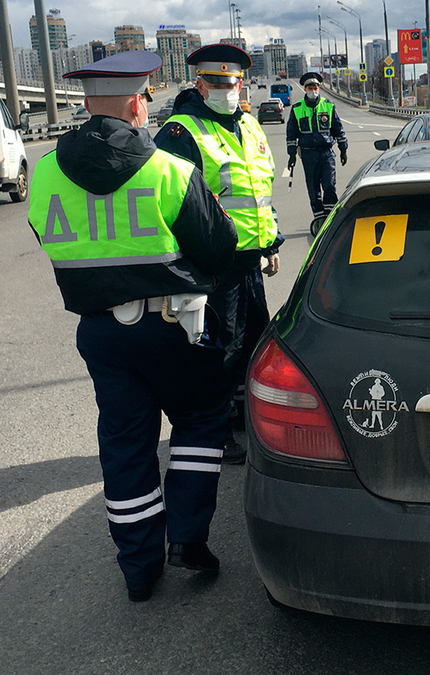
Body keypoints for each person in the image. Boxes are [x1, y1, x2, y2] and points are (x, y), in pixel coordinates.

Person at [27, 52, 240, 602]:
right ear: (134, 103)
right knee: (201, 418)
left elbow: (47, 240)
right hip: (173, 328)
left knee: (125, 445)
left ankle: (139, 568)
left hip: (102, 336)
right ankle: (189, 538)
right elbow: (218, 247)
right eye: (145, 98)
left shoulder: (45, 170)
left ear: (86, 104)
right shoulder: (168, 169)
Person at [154, 44, 281, 462]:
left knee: (254, 344)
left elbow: (259, 189)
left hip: (249, 262)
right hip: (213, 264)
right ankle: (213, 430)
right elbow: (171, 204)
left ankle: (242, 417)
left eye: (233, 82)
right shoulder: (181, 131)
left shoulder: (249, 125)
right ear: (200, 84)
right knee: (217, 351)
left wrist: (271, 242)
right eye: (217, 83)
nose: (227, 89)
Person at [286, 72, 348, 220]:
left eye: (315, 87)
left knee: (329, 186)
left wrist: (343, 149)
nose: (312, 90)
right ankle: (319, 220)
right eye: (309, 87)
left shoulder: (328, 106)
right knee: (313, 190)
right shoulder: (297, 109)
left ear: (319, 88)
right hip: (308, 155)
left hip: (326, 153)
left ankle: (330, 219)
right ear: (305, 89)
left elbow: (338, 129)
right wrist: (291, 155)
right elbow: (291, 134)